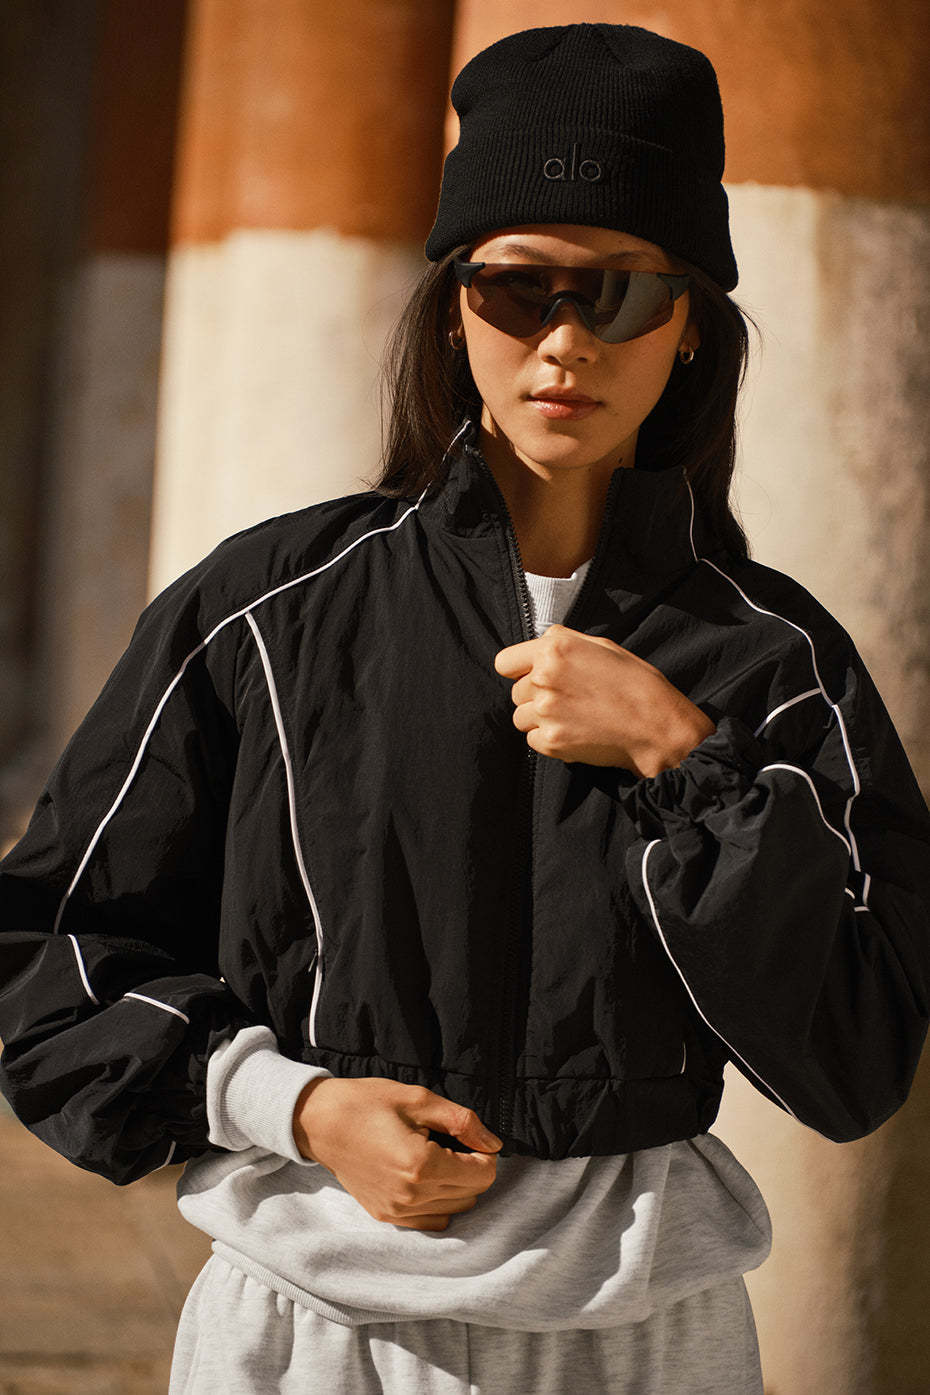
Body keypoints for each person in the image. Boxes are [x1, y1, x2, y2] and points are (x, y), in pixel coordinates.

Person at [1, 21, 929, 1395]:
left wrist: (686, 762)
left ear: (690, 329)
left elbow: (856, 1057)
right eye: (516, 288)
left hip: (648, 1344)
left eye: (620, 294)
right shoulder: (265, 612)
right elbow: (47, 956)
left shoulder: (772, 661)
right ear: (452, 306)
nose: (565, 341)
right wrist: (299, 1107)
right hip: (312, 1335)